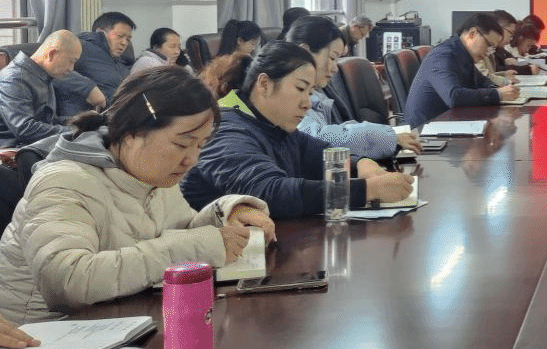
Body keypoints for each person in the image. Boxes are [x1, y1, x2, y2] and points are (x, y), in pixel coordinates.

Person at [0, 66, 276, 323]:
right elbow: (68, 282)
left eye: (200, 146)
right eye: (182, 144)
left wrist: (228, 214)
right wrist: (197, 246)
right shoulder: (65, 181)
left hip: (116, 321)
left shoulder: (152, 175)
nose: (192, 160)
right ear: (131, 133)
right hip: (42, 337)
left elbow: (184, 231)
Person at [181, 42, 413, 219]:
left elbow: (320, 153)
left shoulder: (272, 124)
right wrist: (368, 190)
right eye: (300, 89)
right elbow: (269, 193)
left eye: (310, 92)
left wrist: (360, 164)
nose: (307, 103)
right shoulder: (223, 130)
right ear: (264, 84)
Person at [285, 16, 421, 159]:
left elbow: (337, 128)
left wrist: (387, 135)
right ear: (305, 52)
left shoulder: (318, 89)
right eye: (332, 58)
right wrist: (388, 137)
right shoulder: (289, 91)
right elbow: (316, 138)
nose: (335, 68)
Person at [402, 13, 519, 129]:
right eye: (488, 45)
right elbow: (454, 97)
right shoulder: (443, 56)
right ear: (472, 34)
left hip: (449, 122)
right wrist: (497, 94)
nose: (488, 53)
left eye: (492, 48)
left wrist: (497, 89)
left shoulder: (463, 54)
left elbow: (483, 81)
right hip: (426, 131)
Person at [0, 31, 83, 149]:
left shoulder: (41, 76)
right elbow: (25, 129)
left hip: (30, 146)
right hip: (9, 149)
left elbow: (47, 121)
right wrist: (76, 131)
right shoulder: (14, 79)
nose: (71, 69)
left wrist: (81, 121)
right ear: (51, 54)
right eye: (71, 61)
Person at [54, 11, 136, 117]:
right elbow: (51, 68)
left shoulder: (121, 63)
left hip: (117, 117)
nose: (124, 42)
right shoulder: (81, 47)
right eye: (120, 36)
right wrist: (88, 88)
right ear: (100, 31)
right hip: (83, 120)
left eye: (128, 39)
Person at [480, 10, 519, 86]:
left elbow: (489, 74)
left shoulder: (491, 49)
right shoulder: (479, 47)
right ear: (499, 28)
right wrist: (506, 81)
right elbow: (482, 77)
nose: (511, 38)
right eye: (510, 33)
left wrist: (504, 74)